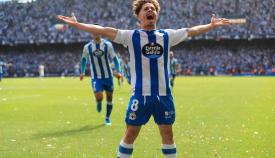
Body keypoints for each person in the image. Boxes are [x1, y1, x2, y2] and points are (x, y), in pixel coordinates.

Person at [57, 0, 231, 156]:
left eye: (153, 9)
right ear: (139, 15)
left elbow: (191, 31)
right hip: (140, 95)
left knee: (168, 135)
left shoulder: (167, 36)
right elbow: (102, 30)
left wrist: (211, 26)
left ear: (156, 14)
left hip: (164, 96)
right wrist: (77, 24)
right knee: (130, 134)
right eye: (146, 9)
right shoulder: (130, 36)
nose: (150, 11)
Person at [80, 32, 122, 126]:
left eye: (97, 32)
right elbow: (83, 59)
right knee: (99, 96)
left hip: (108, 76)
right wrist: (82, 72)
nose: (96, 34)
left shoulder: (108, 45)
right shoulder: (88, 47)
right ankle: (99, 102)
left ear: (100, 33)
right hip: (96, 77)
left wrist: (118, 70)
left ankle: (107, 117)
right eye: (94, 32)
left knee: (109, 98)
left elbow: (115, 58)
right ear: (92, 34)